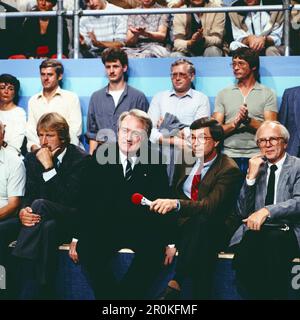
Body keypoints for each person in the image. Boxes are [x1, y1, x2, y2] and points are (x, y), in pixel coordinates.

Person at [77, 109, 175, 299]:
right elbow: (85, 199)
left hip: (141, 227)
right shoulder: (101, 155)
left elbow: (163, 199)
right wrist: (76, 236)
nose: (128, 138)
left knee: (155, 250)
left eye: (136, 133)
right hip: (108, 226)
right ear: (117, 131)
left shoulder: (155, 158)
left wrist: (171, 241)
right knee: (87, 248)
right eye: (124, 130)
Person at [150, 117, 241, 299]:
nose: (195, 143)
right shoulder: (186, 160)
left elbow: (209, 207)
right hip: (185, 223)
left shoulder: (229, 169)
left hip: (214, 225)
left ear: (216, 142)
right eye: (192, 138)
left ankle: (177, 281)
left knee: (201, 225)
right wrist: (170, 240)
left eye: (202, 138)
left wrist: (175, 205)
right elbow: (175, 193)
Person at [12, 112, 92, 297]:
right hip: (44, 221)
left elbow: (69, 200)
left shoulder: (80, 159)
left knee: (40, 205)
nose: (43, 141)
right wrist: (24, 210)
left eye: (49, 135)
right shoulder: (32, 159)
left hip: (71, 218)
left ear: (62, 137)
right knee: (47, 226)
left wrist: (49, 168)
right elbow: (29, 194)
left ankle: (18, 258)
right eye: (40, 135)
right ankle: (43, 290)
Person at [230, 121, 300, 300]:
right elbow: (243, 211)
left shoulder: (297, 166)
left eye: (273, 139)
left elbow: (298, 202)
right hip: (257, 230)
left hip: (287, 229)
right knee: (243, 257)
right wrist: (250, 178)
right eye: (262, 141)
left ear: (285, 142)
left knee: (272, 248)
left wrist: (267, 211)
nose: (267, 145)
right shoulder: (257, 167)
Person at [213, 47, 277, 175]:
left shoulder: (268, 93)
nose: (236, 68)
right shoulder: (223, 94)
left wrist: (248, 121)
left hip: (258, 156)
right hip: (228, 156)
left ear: (253, 67)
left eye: (241, 63)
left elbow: (272, 130)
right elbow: (215, 131)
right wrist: (234, 124)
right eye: (234, 64)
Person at [148, 58, 210, 184]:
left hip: (188, 160)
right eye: (174, 74)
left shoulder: (201, 99)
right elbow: (148, 131)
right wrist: (175, 140)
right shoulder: (159, 98)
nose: (177, 78)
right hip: (159, 158)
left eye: (182, 74)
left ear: (192, 77)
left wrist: (167, 126)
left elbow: (198, 134)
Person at [86, 48, 149, 155]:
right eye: (108, 67)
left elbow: (145, 131)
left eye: (115, 66)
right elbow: (92, 134)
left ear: (124, 68)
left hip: (131, 155)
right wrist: (91, 159)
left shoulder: (138, 97)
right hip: (103, 156)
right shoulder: (96, 97)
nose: (111, 71)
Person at [26, 59, 83, 152]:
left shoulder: (71, 98)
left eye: (50, 74)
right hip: (40, 152)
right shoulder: (33, 101)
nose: (45, 78)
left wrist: (60, 152)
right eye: (43, 74)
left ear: (59, 76)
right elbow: (31, 132)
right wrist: (39, 152)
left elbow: (75, 131)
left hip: (67, 152)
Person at [0, 121, 25, 267]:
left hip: (7, 218)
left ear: (2, 135)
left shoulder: (14, 162)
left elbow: (14, 205)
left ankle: (2, 286)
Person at [0, 74, 26, 154]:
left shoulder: (19, 113)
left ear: (15, 93)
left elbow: (16, 144)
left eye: (10, 89)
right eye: (2, 88)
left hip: (10, 156)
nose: (6, 91)